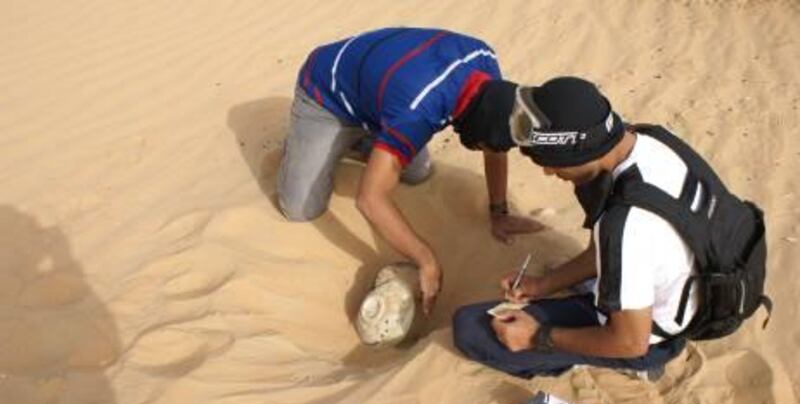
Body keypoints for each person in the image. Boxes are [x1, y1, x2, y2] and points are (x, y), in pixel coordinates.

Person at [277, 27, 540, 314]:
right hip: (325, 94)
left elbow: (495, 138)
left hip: (385, 95)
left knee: (417, 173)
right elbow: (369, 199)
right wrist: (425, 259)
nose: (486, 149)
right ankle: (305, 144)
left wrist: (498, 213)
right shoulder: (416, 112)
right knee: (300, 208)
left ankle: (371, 138)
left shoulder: (484, 61)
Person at [452, 76, 699, 378]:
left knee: (471, 329)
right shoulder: (651, 142)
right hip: (684, 291)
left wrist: (539, 336)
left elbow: (630, 341)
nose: (547, 171)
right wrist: (541, 286)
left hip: (646, 334)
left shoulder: (626, 226)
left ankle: (642, 365)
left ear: (578, 152)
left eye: (552, 162)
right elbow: (604, 251)